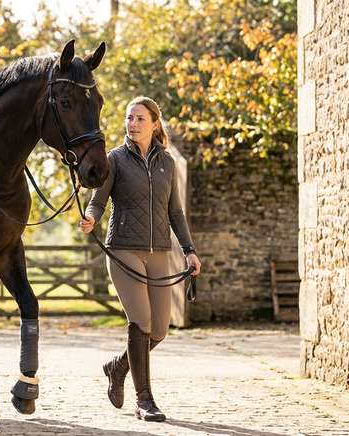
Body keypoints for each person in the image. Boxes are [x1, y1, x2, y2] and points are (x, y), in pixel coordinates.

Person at [79, 96, 201, 422]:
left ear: (154, 124)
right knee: (141, 322)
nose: (132, 124)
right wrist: (91, 218)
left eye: (139, 118)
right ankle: (144, 400)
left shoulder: (167, 163)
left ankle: (118, 367)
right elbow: (98, 200)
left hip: (159, 252)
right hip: (123, 250)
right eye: (129, 118)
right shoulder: (115, 159)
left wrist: (189, 250)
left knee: (159, 330)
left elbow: (175, 212)